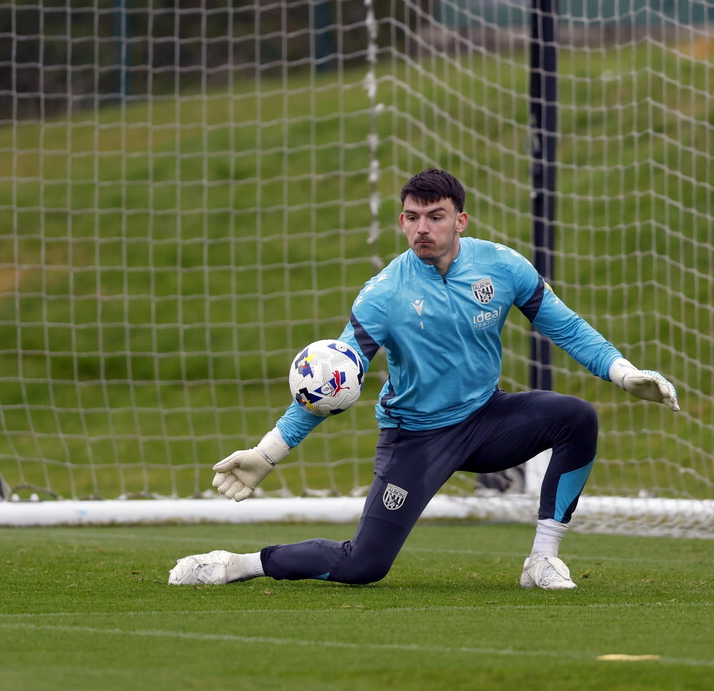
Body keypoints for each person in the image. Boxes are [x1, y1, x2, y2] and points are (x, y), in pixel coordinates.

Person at [169, 168, 679, 590]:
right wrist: (267, 453)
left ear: (460, 219)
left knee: (575, 418)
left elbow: (564, 326)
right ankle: (239, 563)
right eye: (412, 218)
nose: (422, 229)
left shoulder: (503, 267)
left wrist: (623, 372)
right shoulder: (383, 295)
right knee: (364, 565)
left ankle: (542, 559)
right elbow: (329, 381)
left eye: (435, 217)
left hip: (485, 420)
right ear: (401, 221)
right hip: (415, 437)